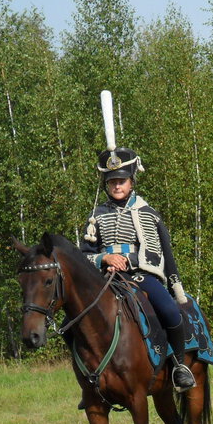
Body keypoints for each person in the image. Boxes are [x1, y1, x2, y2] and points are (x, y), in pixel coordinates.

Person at [80, 146, 196, 391]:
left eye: (121, 181)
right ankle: (87, 378)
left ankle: (179, 366)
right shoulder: (96, 216)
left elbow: (162, 252)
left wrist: (175, 286)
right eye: (111, 182)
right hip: (105, 279)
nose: (116, 186)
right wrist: (105, 259)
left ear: (131, 182)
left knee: (170, 312)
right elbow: (84, 255)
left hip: (140, 275)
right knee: (76, 318)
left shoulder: (148, 213)